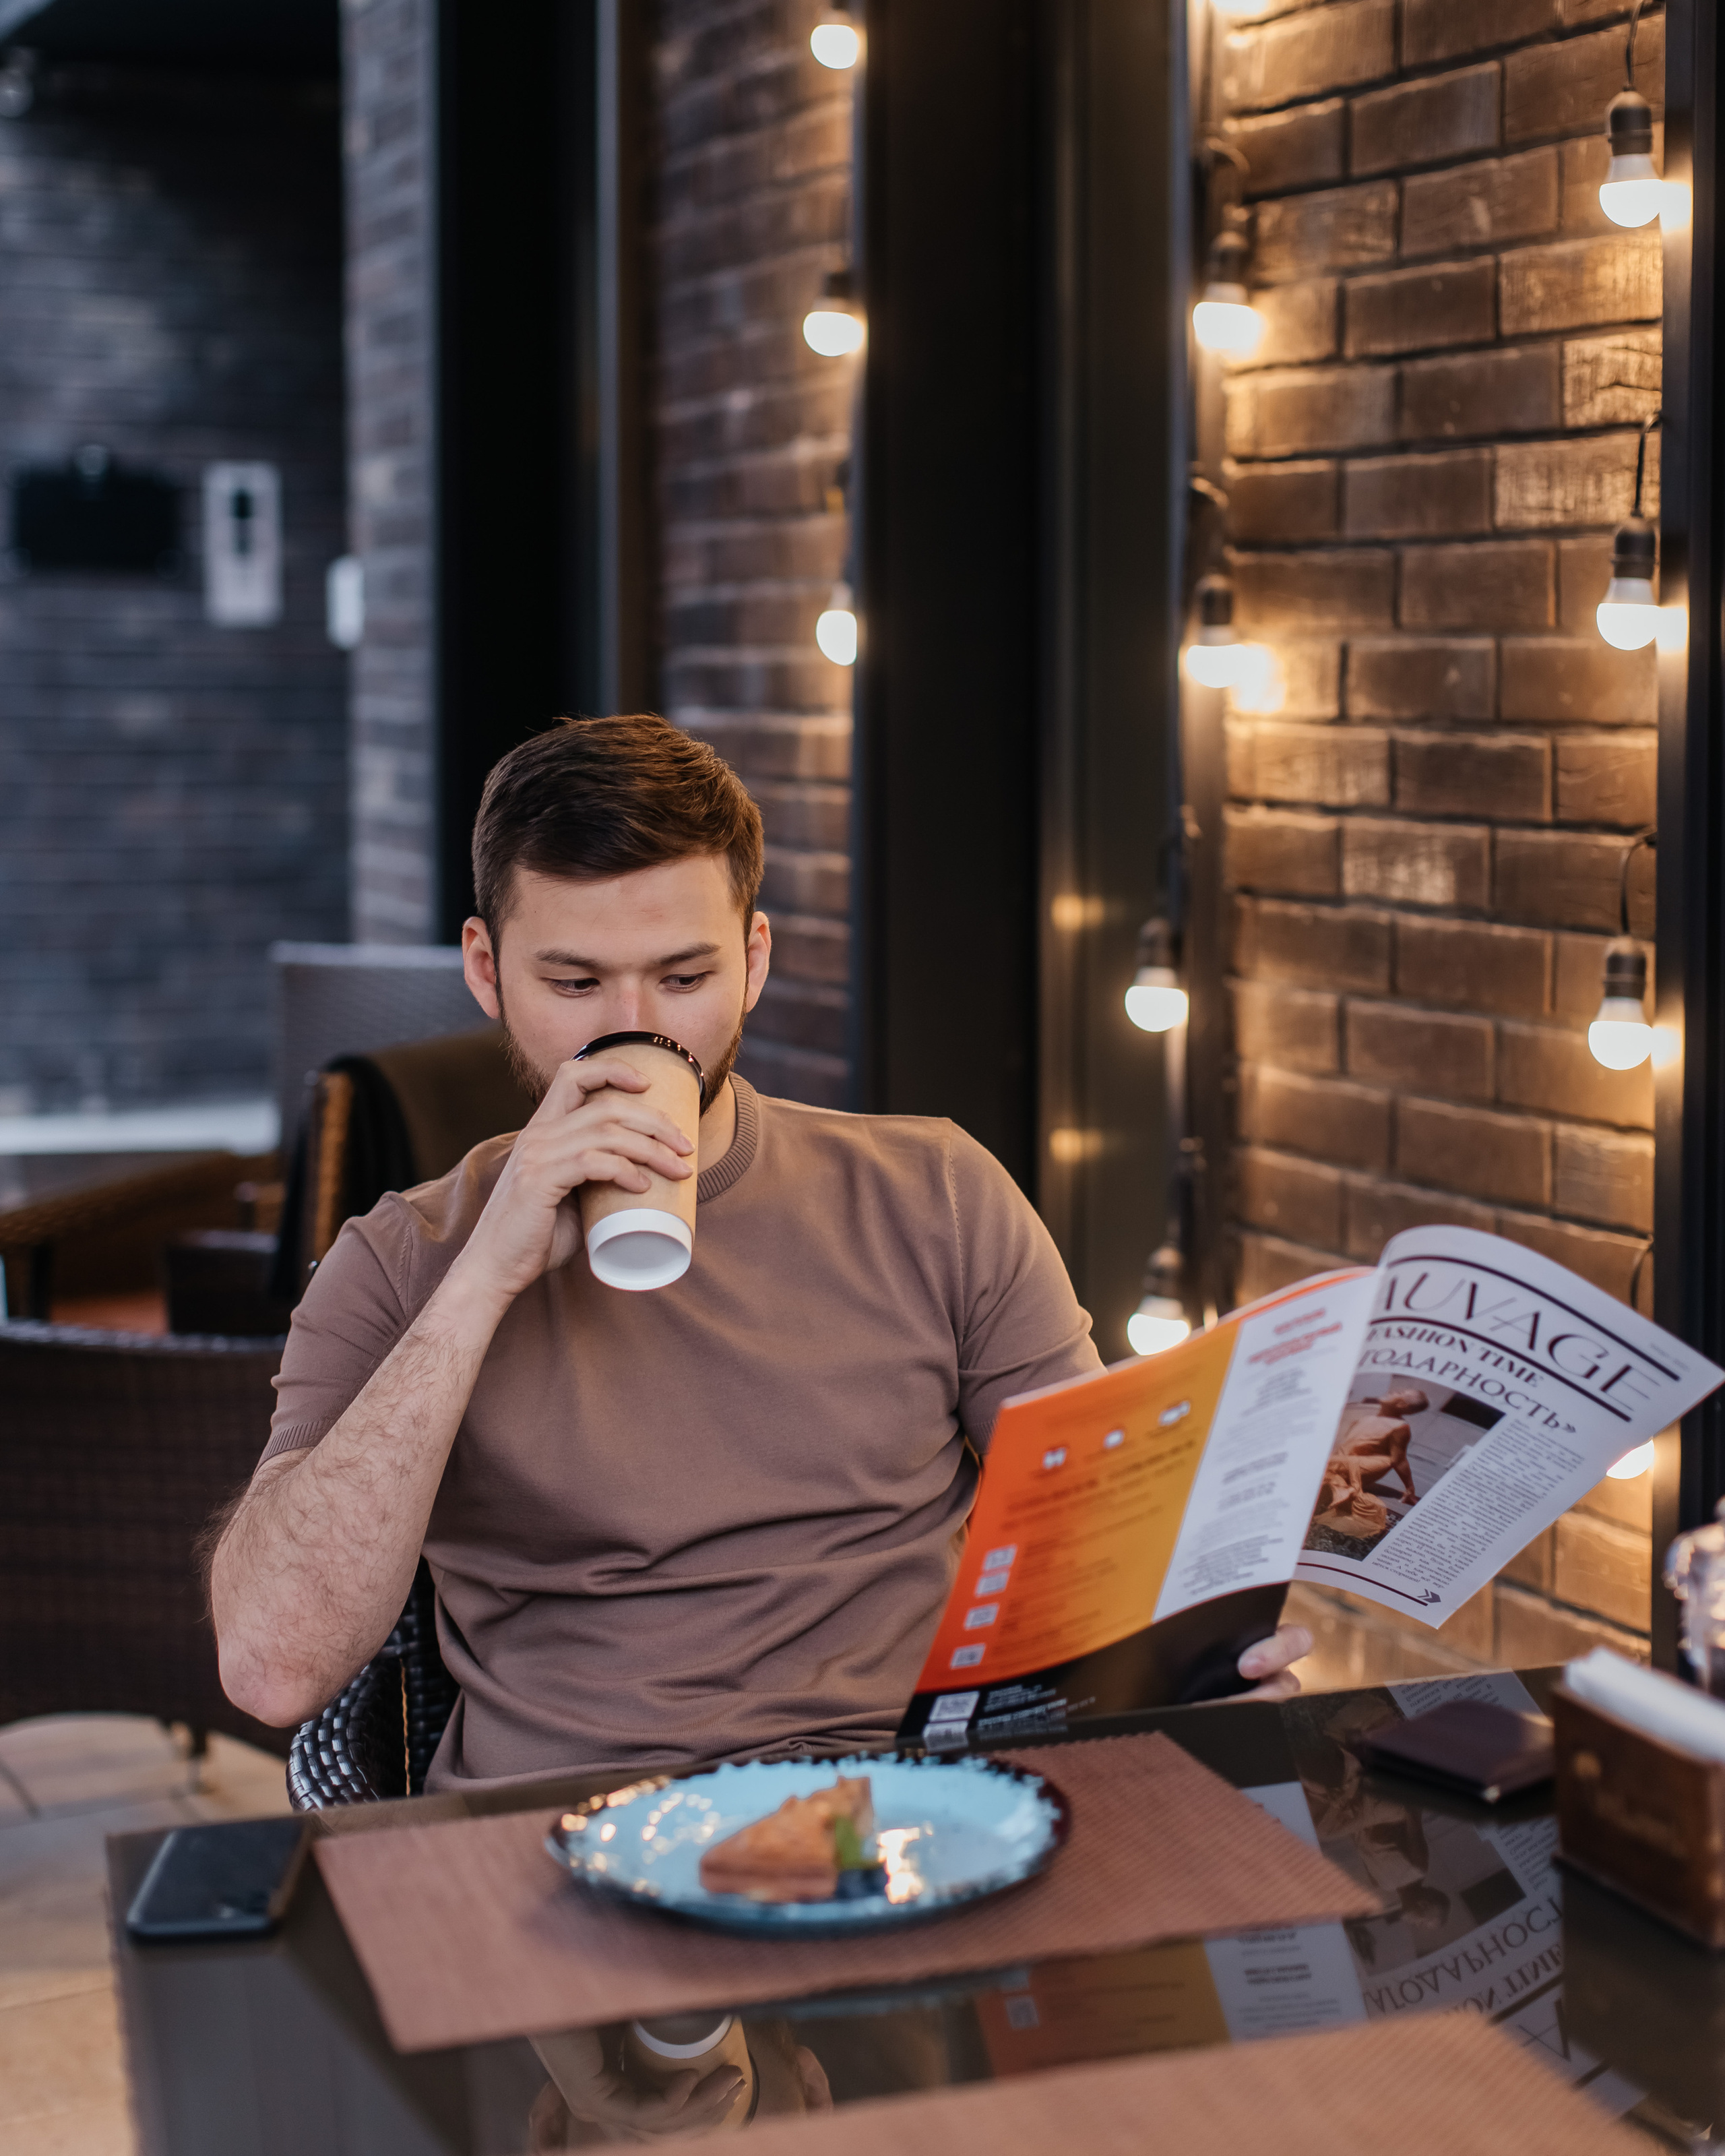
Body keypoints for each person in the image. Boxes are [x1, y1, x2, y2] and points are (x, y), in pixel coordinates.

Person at [210, 714, 1310, 1789]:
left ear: (755, 957)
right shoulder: (405, 1255)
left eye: (683, 978)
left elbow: (1093, 1549)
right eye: (576, 982)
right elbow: (272, 1663)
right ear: (487, 969)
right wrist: (485, 1273)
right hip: (556, 1843)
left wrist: (1195, 1656)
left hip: (912, 1819)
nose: (631, 1030)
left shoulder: (934, 1193)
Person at [1315, 1387, 1429, 1533]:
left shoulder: (1400, 1427)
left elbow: (1398, 1460)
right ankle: (1335, 1477)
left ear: (1402, 1405)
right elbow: (1347, 1446)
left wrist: (1410, 1489)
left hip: (1365, 1466)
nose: (1391, 1391)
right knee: (1330, 1459)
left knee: (1386, 1460)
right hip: (1344, 1461)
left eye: (1398, 1393)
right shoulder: (1364, 1419)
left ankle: (1338, 1478)